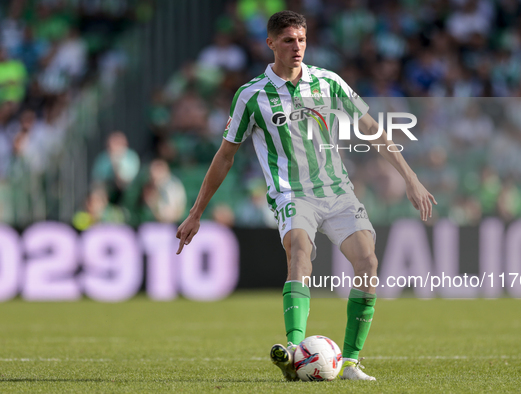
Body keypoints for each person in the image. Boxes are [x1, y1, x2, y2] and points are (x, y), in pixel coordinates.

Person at [175, 10, 436, 381]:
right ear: (270, 44)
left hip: (338, 191)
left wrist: (410, 178)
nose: (297, 47)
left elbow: (371, 128)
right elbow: (225, 156)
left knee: (368, 264)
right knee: (299, 251)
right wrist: (196, 212)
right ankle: (296, 351)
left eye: (301, 39)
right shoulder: (251, 96)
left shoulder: (328, 83)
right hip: (291, 194)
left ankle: (349, 364)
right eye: (287, 40)